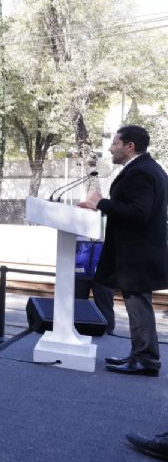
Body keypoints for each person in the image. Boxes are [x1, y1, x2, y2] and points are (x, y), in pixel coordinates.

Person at [79, 125, 167, 377]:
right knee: (137, 303)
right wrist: (101, 207)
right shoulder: (149, 169)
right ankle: (140, 355)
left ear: (130, 146)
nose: (110, 148)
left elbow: (138, 213)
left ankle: (146, 359)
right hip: (139, 253)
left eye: (115, 143)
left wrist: (101, 203)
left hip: (137, 255)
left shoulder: (141, 172)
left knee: (139, 305)